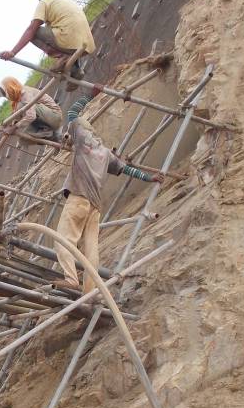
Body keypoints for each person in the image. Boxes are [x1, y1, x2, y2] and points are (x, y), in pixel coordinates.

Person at [55, 95, 164, 291]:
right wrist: (150, 178)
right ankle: (90, 289)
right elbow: (127, 170)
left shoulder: (81, 139)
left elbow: (72, 113)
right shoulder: (105, 153)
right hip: (95, 205)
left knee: (63, 239)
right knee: (91, 248)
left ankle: (71, 279)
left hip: (78, 197)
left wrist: (89, 95)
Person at [0, 0, 96, 79]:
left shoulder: (45, 2)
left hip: (69, 41)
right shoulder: (65, 0)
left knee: (35, 32)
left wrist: (13, 52)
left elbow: (31, 29)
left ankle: (63, 57)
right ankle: (75, 69)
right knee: (57, 30)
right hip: (87, 47)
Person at [0, 76, 63, 141]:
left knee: (22, 107)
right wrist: (11, 124)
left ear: (10, 88)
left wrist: (14, 127)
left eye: (4, 93)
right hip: (45, 119)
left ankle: (49, 133)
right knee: (23, 139)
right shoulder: (17, 101)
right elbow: (18, 117)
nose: (6, 97)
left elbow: (31, 115)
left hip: (54, 116)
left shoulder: (25, 94)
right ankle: (52, 137)